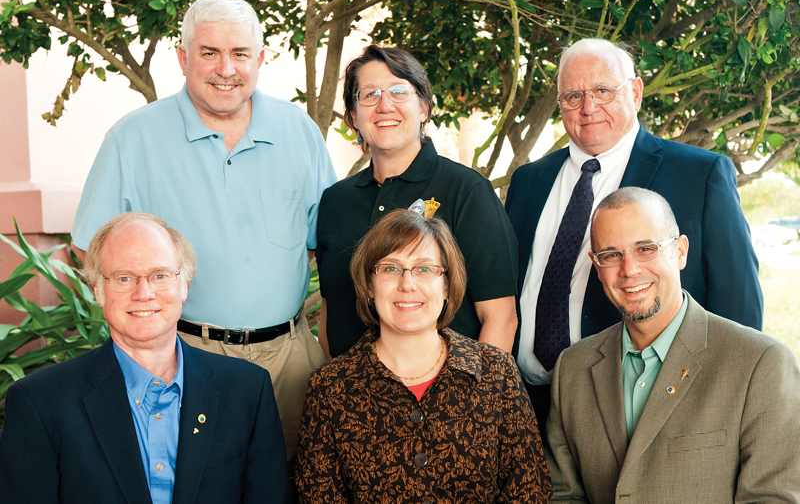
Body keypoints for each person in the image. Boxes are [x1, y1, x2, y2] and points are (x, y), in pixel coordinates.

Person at [70, 0, 337, 459]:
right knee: (198, 484)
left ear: (260, 59)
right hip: (182, 354)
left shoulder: (299, 130)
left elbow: (322, 243)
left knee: (297, 483)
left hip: (290, 358)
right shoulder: (132, 138)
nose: (225, 69)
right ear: (182, 58)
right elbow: (90, 255)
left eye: (240, 54)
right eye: (209, 53)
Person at [504, 38, 762, 427]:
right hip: (527, 405)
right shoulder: (529, 181)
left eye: (603, 91)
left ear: (636, 92)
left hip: (650, 408)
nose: (588, 108)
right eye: (573, 95)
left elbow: (738, 303)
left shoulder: (699, 174)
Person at [0, 213, 289, 503]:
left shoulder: (247, 391)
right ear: (98, 290)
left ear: (184, 285)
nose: (144, 293)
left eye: (160, 275)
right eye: (124, 278)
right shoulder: (40, 403)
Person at [545, 187, 800, 503]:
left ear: (680, 252)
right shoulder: (572, 368)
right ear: (596, 266)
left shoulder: (762, 364)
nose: (630, 270)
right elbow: (563, 495)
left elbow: (772, 498)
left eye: (646, 248)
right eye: (611, 255)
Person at [296, 209, 552, 503]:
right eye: (391, 268)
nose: (408, 284)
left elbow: (530, 490)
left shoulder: (498, 372)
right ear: (369, 286)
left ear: (446, 285)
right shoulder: (329, 389)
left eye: (425, 269)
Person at [316, 45, 519, 359]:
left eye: (399, 91)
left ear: (423, 108)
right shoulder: (335, 200)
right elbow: (331, 315)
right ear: (354, 116)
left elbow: (500, 318)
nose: (384, 105)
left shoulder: (467, 191)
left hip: (446, 398)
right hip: (351, 399)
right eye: (369, 94)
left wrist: (476, 402)